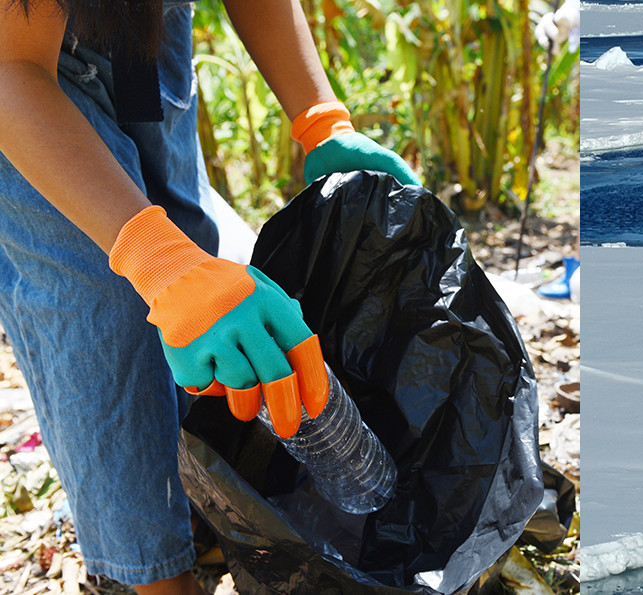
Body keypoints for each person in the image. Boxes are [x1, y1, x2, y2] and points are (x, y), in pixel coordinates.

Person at [0, 0, 418, 592]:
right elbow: (11, 66)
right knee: (99, 295)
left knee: (188, 233)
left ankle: (196, 506)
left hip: (144, 21)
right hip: (14, 67)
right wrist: (158, 263)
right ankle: (153, 577)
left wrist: (321, 120)